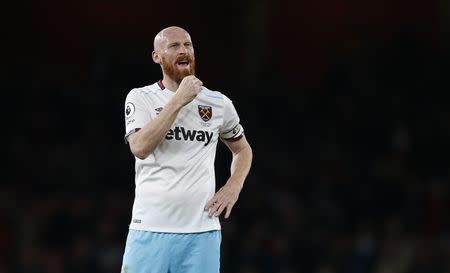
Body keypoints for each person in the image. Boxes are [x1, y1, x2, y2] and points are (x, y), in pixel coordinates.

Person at [120, 26, 253, 273]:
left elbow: (242, 150)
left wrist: (233, 186)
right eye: (174, 46)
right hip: (149, 228)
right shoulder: (141, 98)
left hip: (202, 233)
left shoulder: (218, 102)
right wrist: (179, 100)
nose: (183, 50)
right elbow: (139, 147)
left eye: (188, 45)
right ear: (156, 56)